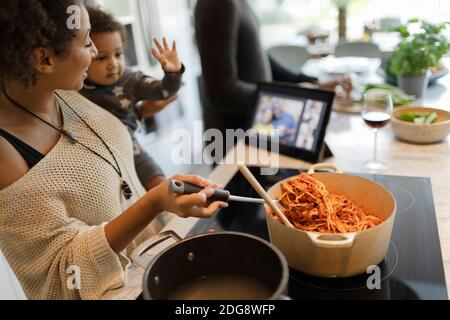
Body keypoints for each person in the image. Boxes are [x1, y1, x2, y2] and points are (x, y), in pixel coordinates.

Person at [0, 0, 227, 300]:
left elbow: (108, 150)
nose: (94, 52)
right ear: (44, 59)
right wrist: (152, 204)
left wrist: (141, 117)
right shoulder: (7, 151)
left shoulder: (68, 92)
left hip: (153, 264)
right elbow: (60, 276)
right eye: (86, 42)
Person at [195, 0, 351, 153]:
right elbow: (223, 94)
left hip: (257, 129)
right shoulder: (217, 4)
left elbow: (259, 58)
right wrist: (295, 93)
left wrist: (314, 83)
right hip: (234, 140)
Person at [80, 6, 184, 191]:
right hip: (92, 159)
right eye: (102, 58)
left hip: (129, 148)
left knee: (157, 180)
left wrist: (173, 72)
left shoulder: (131, 80)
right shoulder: (76, 87)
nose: (113, 64)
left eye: (118, 54)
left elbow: (164, 91)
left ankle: (169, 212)